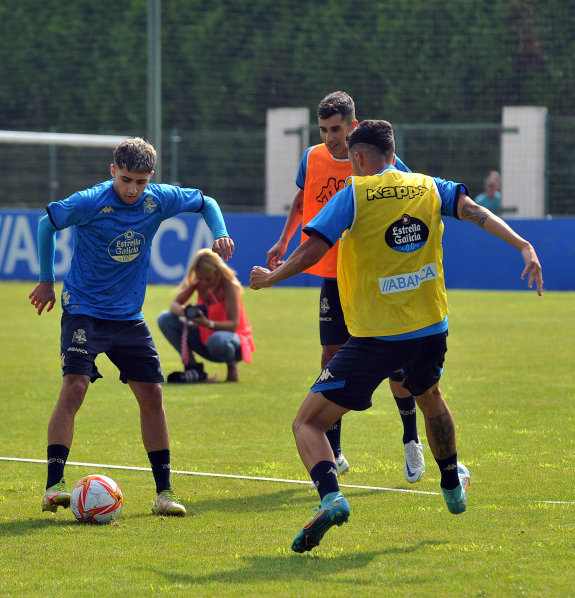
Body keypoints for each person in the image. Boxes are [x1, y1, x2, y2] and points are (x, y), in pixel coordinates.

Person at [250, 119, 543, 553]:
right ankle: (451, 486)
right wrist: (524, 246)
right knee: (431, 398)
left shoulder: (355, 193)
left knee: (307, 422)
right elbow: (478, 213)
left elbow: (314, 249)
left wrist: (272, 278)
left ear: (359, 158)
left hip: (376, 337)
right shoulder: (428, 186)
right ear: (393, 152)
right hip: (430, 329)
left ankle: (331, 498)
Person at [28, 137, 235, 517]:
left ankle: (164, 493)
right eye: (125, 180)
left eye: (140, 181)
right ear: (112, 172)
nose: (132, 190)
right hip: (84, 311)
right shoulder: (91, 200)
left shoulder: (159, 199)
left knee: (153, 396)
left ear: (150, 177)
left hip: (127, 316)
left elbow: (206, 202)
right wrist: (46, 279)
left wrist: (219, 231)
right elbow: (46, 224)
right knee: (74, 387)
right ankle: (53, 486)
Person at [265, 91, 426, 485]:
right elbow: (302, 199)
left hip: (373, 277)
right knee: (330, 358)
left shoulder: (378, 159)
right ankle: (334, 452)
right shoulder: (312, 157)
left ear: (353, 126)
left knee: (396, 364)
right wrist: (284, 241)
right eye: (323, 129)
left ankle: (410, 439)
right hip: (334, 276)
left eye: (335, 129)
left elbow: (409, 197)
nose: (329, 137)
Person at [156, 248, 255, 382]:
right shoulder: (199, 282)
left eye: (208, 278)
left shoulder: (228, 286)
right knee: (165, 318)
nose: (204, 283)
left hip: (231, 342)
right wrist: (185, 313)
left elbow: (233, 325)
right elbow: (174, 305)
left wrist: (208, 324)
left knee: (217, 340)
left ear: (218, 271)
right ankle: (192, 366)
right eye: (201, 278)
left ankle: (232, 366)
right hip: (205, 338)